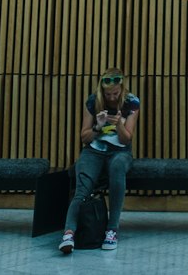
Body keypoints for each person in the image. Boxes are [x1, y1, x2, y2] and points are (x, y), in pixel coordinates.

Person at [59, 68, 139, 254]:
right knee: (82, 188)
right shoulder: (93, 101)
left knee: (118, 167)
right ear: (102, 91)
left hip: (120, 152)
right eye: (108, 94)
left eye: (115, 94)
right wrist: (98, 126)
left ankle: (112, 230)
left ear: (122, 89)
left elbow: (127, 138)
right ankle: (68, 233)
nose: (111, 98)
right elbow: (84, 137)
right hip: (94, 150)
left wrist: (119, 124)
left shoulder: (132, 102)